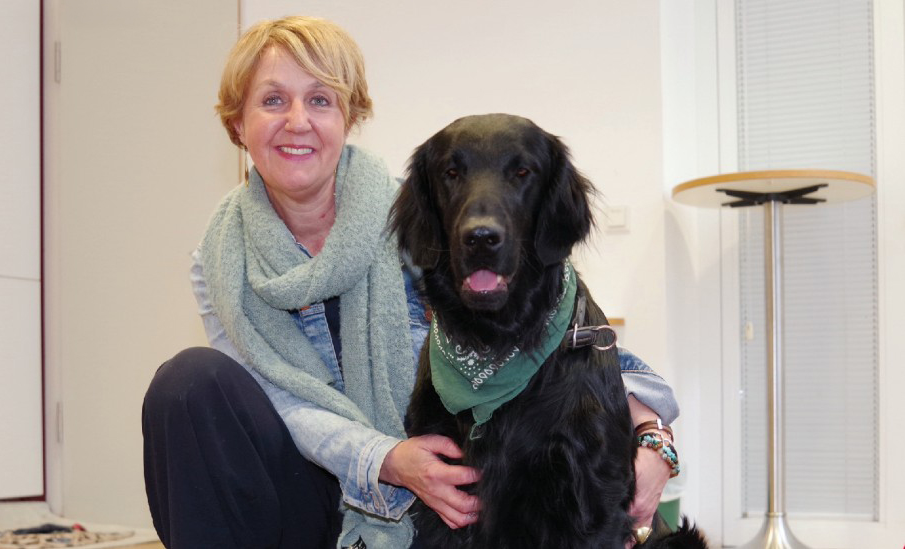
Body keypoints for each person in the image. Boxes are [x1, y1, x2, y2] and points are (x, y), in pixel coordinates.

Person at [142, 15, 680, 549]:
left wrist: (654, 437)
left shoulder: (427, 216)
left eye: (321, 99)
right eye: (274, 100)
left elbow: (565, 340)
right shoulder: (218, 262)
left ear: (349, 117)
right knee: (186, 384)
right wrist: (384, 459)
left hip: (429, 501)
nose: (298, 121)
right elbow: (277, 402)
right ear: (237, 123)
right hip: (316, 486)